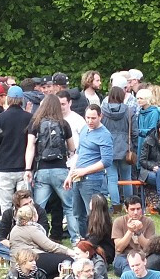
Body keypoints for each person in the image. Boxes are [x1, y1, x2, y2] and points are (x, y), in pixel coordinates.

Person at [24, 95, 78, 243]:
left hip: (42, 170)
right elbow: (72, 148)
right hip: (61, 170)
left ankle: (35, 238)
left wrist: (28, 169)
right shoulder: (63, 124)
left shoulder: (35, 123)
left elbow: (30, 147)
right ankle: (76, 240)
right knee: (69, 206)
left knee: (37, 208)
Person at [64, 104, 112, 239]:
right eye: (88, 118)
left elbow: (106, 161)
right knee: (77, 213)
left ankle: (95, 240)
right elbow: (78, 154)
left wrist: (84, 171)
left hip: (92, 179)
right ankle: (83, 239)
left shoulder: (105, 135)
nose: (90, 121)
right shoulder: (85, 129)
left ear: (100, 116)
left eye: (93, 118)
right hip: (77, 177)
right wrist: (70, 175)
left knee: (93, 213)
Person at [0, 85, 32, 214]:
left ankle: (6, 232)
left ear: (8, 98)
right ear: (22, 100)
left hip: (4, 168)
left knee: (6, 207)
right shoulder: (29, 118)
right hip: (23, 168)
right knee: (24, 206)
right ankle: (25, 231)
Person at [8, 204, 75, 279]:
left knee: (54, 263)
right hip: (30, 258)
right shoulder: (32, 229)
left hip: (16, 263)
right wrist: (70, 252)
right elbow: (50, 246)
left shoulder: (15, 228)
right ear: (33, 216)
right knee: (68, 260)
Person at [0, 188, 49, 263]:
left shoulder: (39, 211)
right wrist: (16, 245)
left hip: (34, 246)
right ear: (18, 207)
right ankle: (23, 259)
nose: (30, 206)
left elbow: (44, 236)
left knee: (44, 250)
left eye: (30, 202)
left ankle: (19, 259)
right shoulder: (8, 214)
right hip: (14, 246)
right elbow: (1, 238)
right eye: (25, 204)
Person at [100, 85, 135, 206]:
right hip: (125, 148)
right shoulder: (129, 111)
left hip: (108, 147)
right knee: (127, 178)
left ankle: (115, 206)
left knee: (112, 179)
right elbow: (134, 132)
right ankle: (130, 205)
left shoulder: (102, 112)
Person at [111, 197, 156, 276]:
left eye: (138, 209)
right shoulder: (118, 221)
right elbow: (119, 248)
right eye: (132, 209)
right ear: (126, 209)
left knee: (155, 263)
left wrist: (138, 232)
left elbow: (149, 247)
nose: (136, 212)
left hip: (143, 255)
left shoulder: (148, 222)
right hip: (124, 256)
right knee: (128, 266)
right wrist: (130, 231)